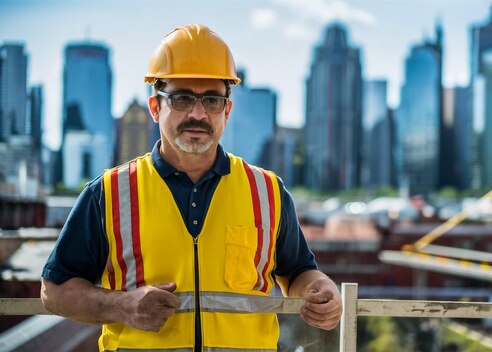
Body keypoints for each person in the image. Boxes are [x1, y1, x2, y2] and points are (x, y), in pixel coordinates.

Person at [40, 24, 342, 352]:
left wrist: (321, 289)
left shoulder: (267, 192)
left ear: (226, 110)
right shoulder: (109, 193)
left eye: (212, 100)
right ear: (155, 108)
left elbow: (298, 272)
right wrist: (121, 306)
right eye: (182, 98)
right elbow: (54, 291)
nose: (198, 113)